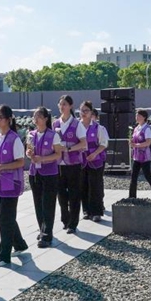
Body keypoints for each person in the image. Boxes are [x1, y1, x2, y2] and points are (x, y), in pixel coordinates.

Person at [0, 105, 28, 267]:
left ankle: (3, 255)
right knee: (7, 217)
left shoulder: (15, 139)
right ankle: (19, 244)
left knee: (5, 219)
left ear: (9, 119)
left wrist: (0, 167)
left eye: (0, 117)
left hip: (11, 184)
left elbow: (20, 162)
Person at [27, 107, 63, 248]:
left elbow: (58, 154)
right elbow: (28, 150)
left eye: (39, 116)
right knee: (38, 203)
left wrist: (42, 158)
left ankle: (47, 233)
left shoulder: (53, 135)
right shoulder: (31, 134)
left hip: (49, 173)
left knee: (48, 203)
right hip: (34, 173)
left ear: (46, 119)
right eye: (34, 116)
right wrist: (29, 153)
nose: (35, 119)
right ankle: (42, 228)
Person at [53, 95, 87, 234]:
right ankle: (65, 218)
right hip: (59, 163)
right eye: (60, 104)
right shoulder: (55, 124)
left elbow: (83, 143)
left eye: (65, 104)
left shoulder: (77, 124)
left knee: (74, 193)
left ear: (71, 106)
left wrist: (68, 149)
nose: (62, 106)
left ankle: (73, 222)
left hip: (73, 163)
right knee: (61, 194)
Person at [79, 101, 108, 222]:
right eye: (82, 110)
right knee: (83, 185)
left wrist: (94, 153)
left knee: (95, 186)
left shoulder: (98, 128)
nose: (84, 113)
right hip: (81, 160)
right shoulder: (77, 127)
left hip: (95, 160)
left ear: (91, 113)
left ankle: (96, 212)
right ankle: (86, 210)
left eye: (86, 110)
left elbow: (103, 144)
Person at [128, 109, 151, 199]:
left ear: (144, 117)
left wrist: (136, 145)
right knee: (133, 177)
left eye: (139, 116)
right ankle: (132, 196)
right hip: (136, 156)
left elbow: (148, 142)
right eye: (136, 115)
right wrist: (131, 142)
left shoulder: (147, 128)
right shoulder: (136, 128)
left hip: (144, 157)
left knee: (148, 176)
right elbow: (134, 140)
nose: (137, 117)